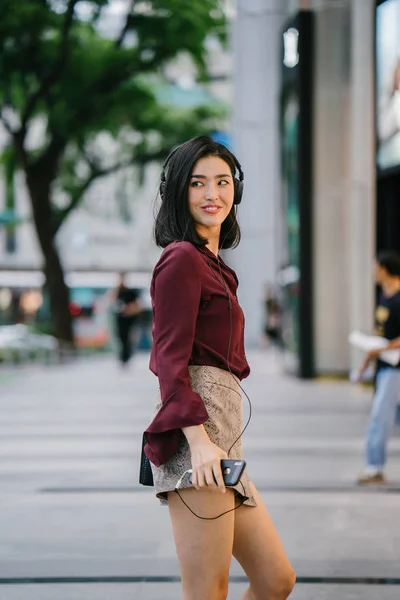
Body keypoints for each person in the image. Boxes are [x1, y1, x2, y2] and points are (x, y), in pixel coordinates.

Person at [142, 136, 295, 600]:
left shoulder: (211, 264)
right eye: (198, 183)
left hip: (222, 438)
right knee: (208, 591)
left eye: (223, 182)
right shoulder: (182, 259)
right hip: (198, 440)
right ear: (179, 193)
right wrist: (199, 441)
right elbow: (169, 361)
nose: (213, 194)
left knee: (274, 580)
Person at [356, 251, 400, 485]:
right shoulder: (384, 298)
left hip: (396, 368)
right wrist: (367, 362)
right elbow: (380, 336)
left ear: (384, 269)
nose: (373, 272)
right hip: (386, 368)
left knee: (379, 418)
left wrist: (380, 351)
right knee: (379, 417)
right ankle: (374, 467)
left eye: (375, 267)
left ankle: (374, 468)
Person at [111, 272, 141, 366]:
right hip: (120, 320)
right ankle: (122, 356)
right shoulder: (117, 291)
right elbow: (112, 301)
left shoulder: (130, 292)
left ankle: (126, 357)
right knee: (121, 338)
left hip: (128, 320)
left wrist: (128, 309)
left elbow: (138, 306)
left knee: (128, 338)